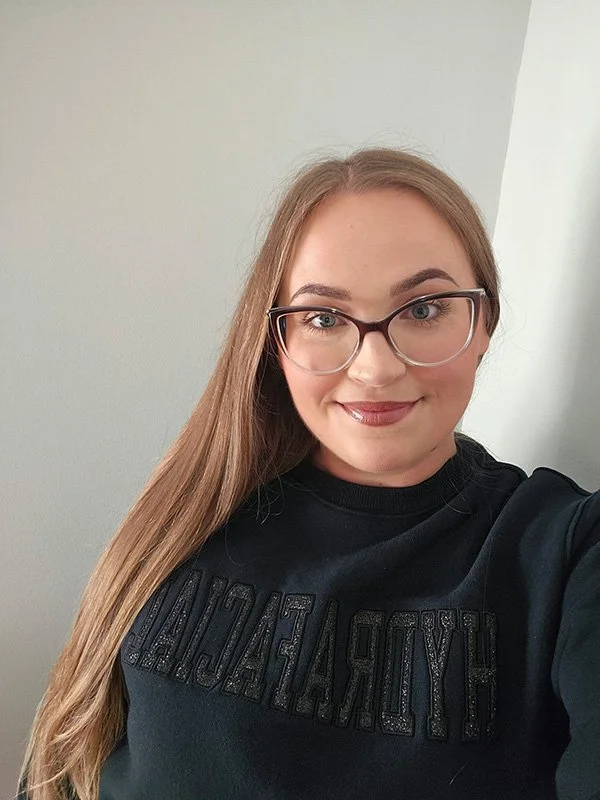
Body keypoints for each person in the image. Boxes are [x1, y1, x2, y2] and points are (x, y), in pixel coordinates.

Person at [17, 147, 600, 800]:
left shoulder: (568, 550)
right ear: (278, 342)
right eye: (324, 318)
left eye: (424, 309)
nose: (375, 367)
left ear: (484, 319)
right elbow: (67, 760)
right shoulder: (188, 512)